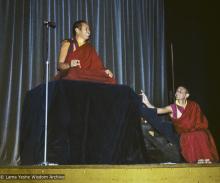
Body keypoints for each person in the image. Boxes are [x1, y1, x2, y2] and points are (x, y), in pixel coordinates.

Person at [141, 86, 219, 163]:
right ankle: (196, 160)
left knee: (203, 134)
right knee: (191, 136)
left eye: (181, 90)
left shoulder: (194, 105)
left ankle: (207, 159)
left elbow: (201, 121)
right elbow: (157, 110)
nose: (178, 91)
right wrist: (147, 102)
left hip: (197, 131)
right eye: (177, 91)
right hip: (184, 135)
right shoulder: (173, 108)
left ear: (186, 95)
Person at [54, 20, 116, 84]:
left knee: (109, 78)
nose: (89, 32)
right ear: (77, 30)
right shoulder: (68, 44)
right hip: (75, 73)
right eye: (86, 29)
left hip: (87, 75)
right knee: (72, 73)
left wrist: (105, 71)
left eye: (89, 29)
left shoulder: (90, 48)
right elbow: (59, 66)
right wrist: (70, 64)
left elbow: (98, 66)